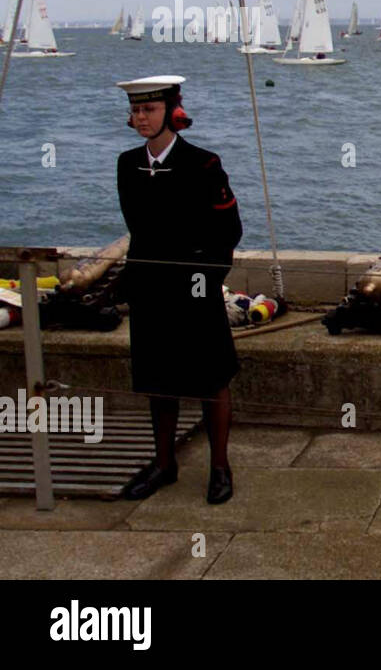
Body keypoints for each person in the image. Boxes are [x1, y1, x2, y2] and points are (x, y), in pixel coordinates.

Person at [115, 76, 242, 505]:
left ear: (172, 112)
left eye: (148, 110)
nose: (140, 119)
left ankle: (220, 468)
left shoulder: (204, 165)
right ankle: (164, 464)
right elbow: (140, 232)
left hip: (195, 290)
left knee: (212, 380)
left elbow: (228, 232)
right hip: (150, 290)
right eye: (136, 111)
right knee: (158, 380)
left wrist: (203, 282)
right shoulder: (127, 164)